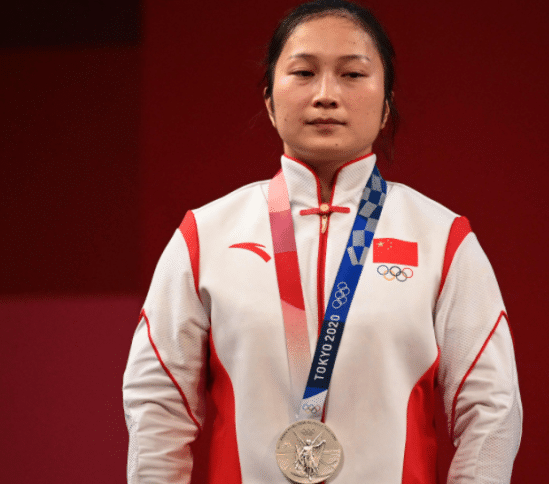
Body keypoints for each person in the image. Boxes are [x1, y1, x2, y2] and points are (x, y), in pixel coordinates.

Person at [122, 1, 522, 483]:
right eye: (304, 72)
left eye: (352, 74)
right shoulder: (205, 236)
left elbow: (491, 409)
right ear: (269, 101)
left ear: (386, 105)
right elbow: (157, 404)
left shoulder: (442, 239)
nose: (326, 95)